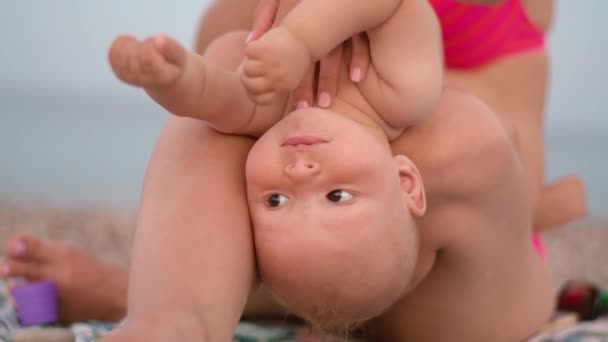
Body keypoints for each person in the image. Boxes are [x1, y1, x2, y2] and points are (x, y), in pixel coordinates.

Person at [0, 0, 567, 339]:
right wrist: (171, 78)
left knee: (462, 137)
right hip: (315, 274)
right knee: (234, 80)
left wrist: (300, 39)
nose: (299, 172)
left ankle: (139, 295)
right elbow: (222, 97)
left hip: (463, 301)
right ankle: (171, 321)